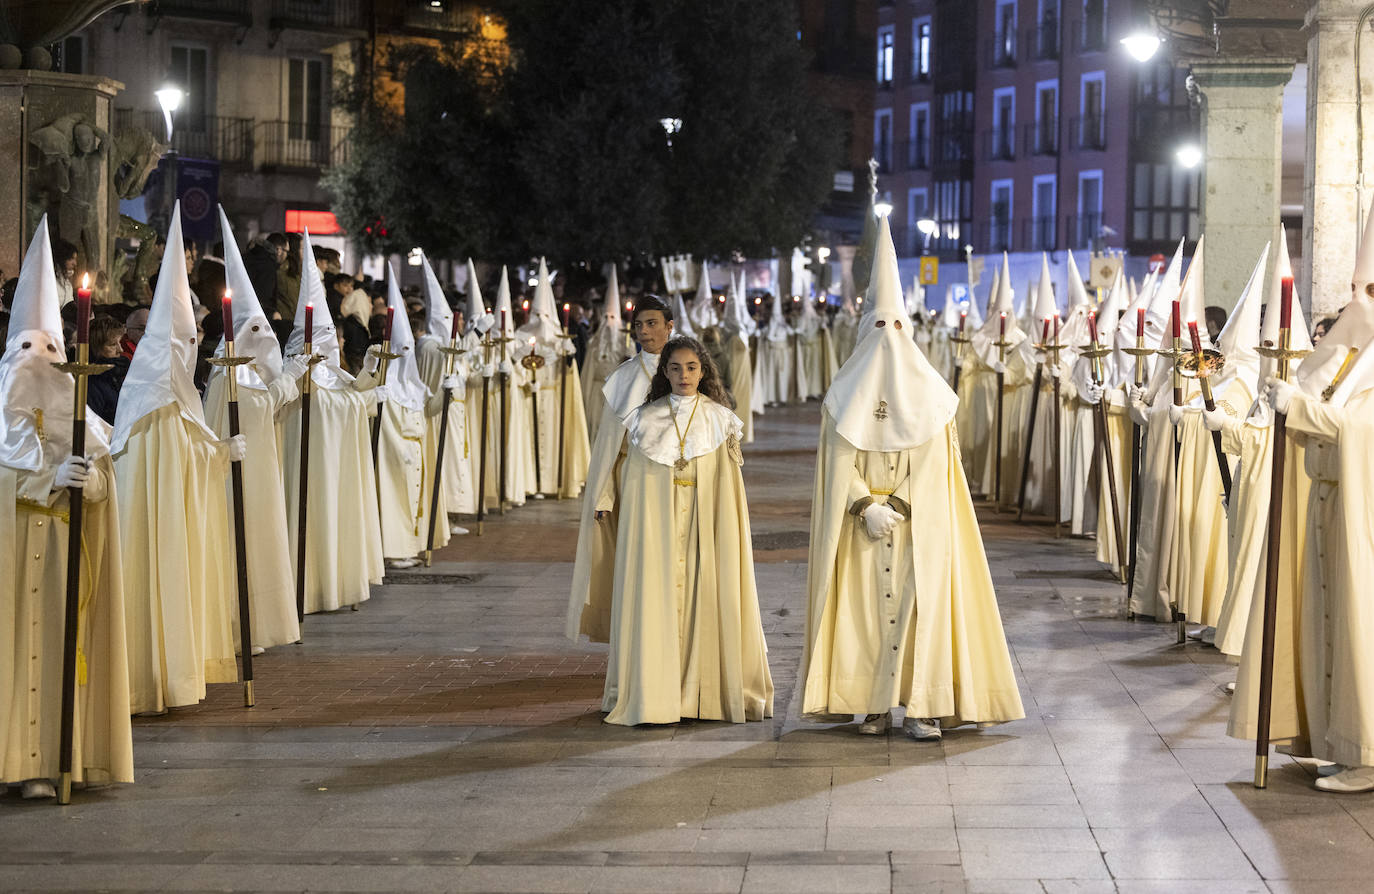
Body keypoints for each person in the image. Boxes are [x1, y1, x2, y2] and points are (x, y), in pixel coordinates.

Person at [800, 216, 1023, 738]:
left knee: (922, 610)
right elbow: (836, 463)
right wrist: (863, 505)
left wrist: (895, 506)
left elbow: (935, 464)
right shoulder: (840, 399)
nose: (888, 337)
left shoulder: (932, 398)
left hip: (917, 525)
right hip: (860, 526)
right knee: (862, 618)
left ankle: (923, 705)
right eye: (879, 326)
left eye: (895, 327)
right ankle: (872, 703)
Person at [0, 218, 133, 798]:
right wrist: (40, 482)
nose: (37, 359)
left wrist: (91, 482)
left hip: (60, 558)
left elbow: (104, 472)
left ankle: (49, 762)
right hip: (7, 563)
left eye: (48, 348)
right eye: (26, 348)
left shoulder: (77, 411)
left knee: (55, 655)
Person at [600, 335, 773, 725]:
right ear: (664, 372)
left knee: (704, 597)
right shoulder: (643, 421)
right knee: (656, 601)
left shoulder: (719, 419)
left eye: (692, 367)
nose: (684, 375)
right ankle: (656, 694)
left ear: (703, 370)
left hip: (704, 527)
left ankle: (703, 694)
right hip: (658, 532)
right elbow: (635, 485)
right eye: (675, 368)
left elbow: (729, 491)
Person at [112, 205, 245, 714]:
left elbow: (192, 450)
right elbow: (175, 456)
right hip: (156, 525)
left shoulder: (173, 394)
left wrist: (220, 451)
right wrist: (216, 453)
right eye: (185, 343)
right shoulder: (154, 400)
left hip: (176, 521)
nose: (191, 350)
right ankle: (152, 677)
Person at [202, 207, 309, 653]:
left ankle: (256, 622)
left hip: (261, 470)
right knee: (237, 542)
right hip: (235, 478)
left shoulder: (247, 375)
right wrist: (290, 377)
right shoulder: (230, 375)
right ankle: (236, 624)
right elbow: (258, 403)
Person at [279, 231, 385, 612]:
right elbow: (343, 407)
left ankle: (335, 585)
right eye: (324, 338)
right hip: (305, 469)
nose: (332, 346)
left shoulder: (336, 377)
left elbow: (354, 402)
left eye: (331, 338)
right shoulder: (293, 376)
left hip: (333, 469)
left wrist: (371, 376)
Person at [567, 294, 675, 644]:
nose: (644, 331)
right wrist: (604, 492)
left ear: (669, 326)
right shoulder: (625, 376)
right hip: (635, 482)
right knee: (639, 562)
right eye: (639, 324)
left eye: (652, 323)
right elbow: (610, 445)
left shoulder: (687, 369)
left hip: (679, 482)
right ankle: (639, 638)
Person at [373, 269, 453, 569]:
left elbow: (427, 412)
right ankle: (394, 550)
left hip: (415, 451)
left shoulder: (412, 384)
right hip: (397, 454)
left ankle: (412, 546)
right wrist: (401, 448)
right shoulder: (389, 386)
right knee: (397, 502)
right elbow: (388, 429)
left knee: (416, 503)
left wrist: (445, 393)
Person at [515, 259, 590, 499]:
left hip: (554, 398)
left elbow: (569, 373)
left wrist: (568, 357)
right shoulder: (522, 336)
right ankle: (531, 484)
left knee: (553, 442)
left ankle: (554, 483)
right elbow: (516, 364)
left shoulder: (560, 339)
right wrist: (525, 380)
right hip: (528, 397)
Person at [416, 252, 475, 531]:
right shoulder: (428, 345)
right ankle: (440, 514)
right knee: (442, 458)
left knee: (454, 461)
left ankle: (451, 511)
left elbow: (464, 367)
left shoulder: (450, 344)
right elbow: (437, 363)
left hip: (456, 409)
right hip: (438, 409)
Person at [86, 314, 128, 424]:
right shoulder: (90, 383)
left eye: (120, 342)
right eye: (113, 344)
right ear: (95, 348)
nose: (121, 349)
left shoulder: (115, 374)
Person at [51, 238, 77, 307]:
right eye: (71, 259)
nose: (74, 263)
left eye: (75, 259)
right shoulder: (51, 283)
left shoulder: (68, 286)